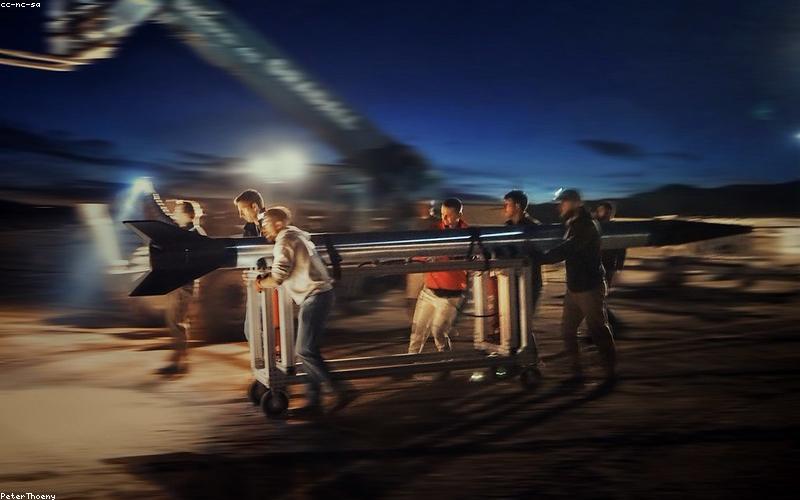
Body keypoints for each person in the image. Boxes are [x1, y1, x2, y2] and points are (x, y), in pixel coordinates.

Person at [253, 206, 355, 416]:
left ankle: (341, 390)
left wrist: (261, 282)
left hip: (315, 296)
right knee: (308, 351)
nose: (263, 230)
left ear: (279, 224)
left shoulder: (284, 240)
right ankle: (314, 403)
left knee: (305, 350)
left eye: (265, 225)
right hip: (319, 295)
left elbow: (279, 275)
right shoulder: (297, 235)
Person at [541, 189, 616, 382]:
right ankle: (576, 370)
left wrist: (542, 257)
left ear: (576, 203)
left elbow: (568, 248)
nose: (560, 206)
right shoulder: (572, 224)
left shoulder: (587, 225)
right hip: (574, 287)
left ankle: (610, 369)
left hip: (590, 287)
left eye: (563, 202)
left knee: (597, 328)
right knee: (567, 330)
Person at [408, 198, 468, 354]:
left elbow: (465, 257)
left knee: (438, 332)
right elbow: (419, 252)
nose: (444, 219)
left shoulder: (467, 235)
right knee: (417, 332)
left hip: (450, 295)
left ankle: (445, 361)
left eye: (448, 215)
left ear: (459, 215)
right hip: (429, 291)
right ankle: (408, 364)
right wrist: (419, 257)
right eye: (442, 214)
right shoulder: (434, 229)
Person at [157, 201, 207, 375]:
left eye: (177, 211)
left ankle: (179, 362)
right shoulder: (186, 231)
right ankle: (179, 361)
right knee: (176, 322)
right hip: (179, 283)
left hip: (183, 285)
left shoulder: (194, 232)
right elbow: (164, 216)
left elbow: (197, 261)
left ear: (188, 214)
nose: (175, 214)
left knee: (176, 322)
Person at [502, 190, 544, 348]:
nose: (504, 208)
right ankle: (521, 358)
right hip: (511, 283)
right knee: (512, 324)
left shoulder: (532, 228)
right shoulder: (506, 227)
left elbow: (537, 254)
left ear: (518, 206)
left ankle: (529, 360)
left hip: (529, 283)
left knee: (523, 324)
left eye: (507, 204)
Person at [594, 201, 626, 332]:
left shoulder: (615, 228)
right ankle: (607, 326)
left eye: (605, 211)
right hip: (595, 266)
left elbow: (622, 248)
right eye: (601, 210)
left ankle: (607, 327)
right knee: (596, 299)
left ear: (610, 213)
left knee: (598, 299)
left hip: (608, 267)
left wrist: (618, 267)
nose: (602, 213)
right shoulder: (595, 225)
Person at [405, 201, 438, 319]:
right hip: (415, 264)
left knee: (433, 294)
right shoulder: (412, 224)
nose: (423, 208)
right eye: (421, 205)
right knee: (414, 295)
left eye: (426, 205)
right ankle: (413, 321)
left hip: (431, 265)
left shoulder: (437, 223)